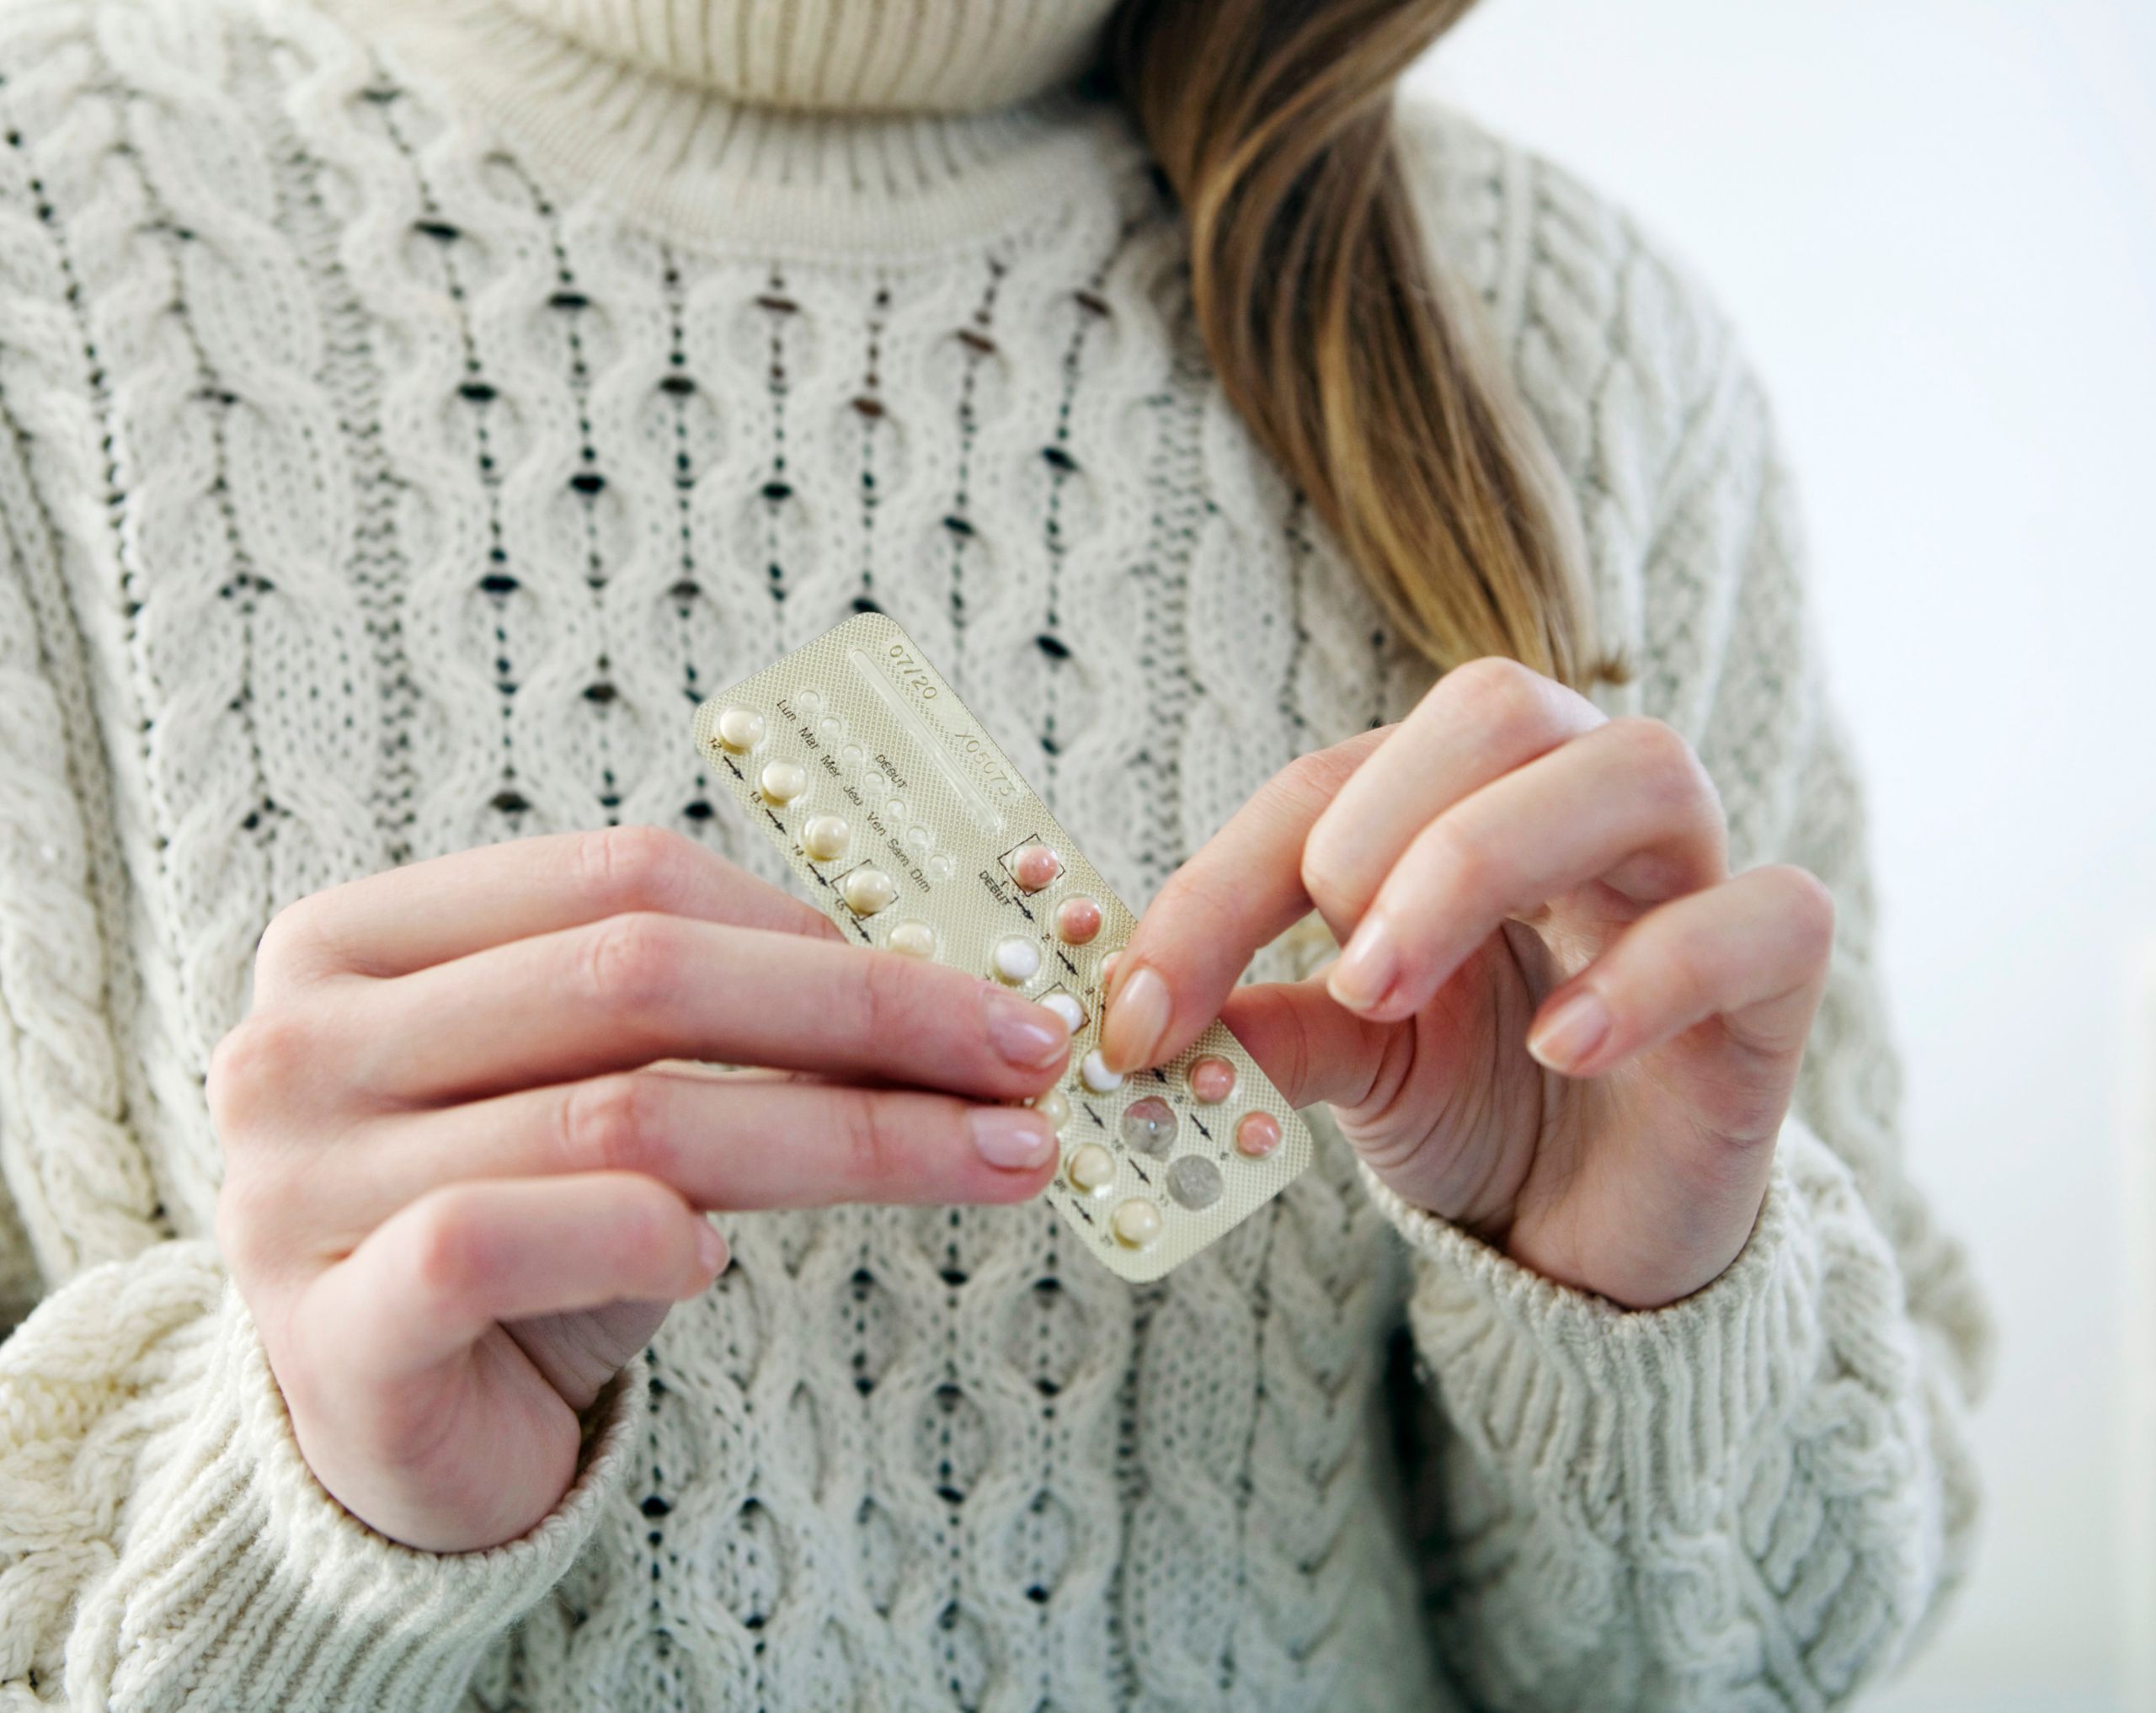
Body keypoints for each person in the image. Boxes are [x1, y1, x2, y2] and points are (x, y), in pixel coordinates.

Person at [0, 0, 1993, 1706]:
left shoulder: (1569, 347)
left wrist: (1640, 1319)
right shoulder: (52, 241)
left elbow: (1782, 1648)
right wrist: (285, 1516)